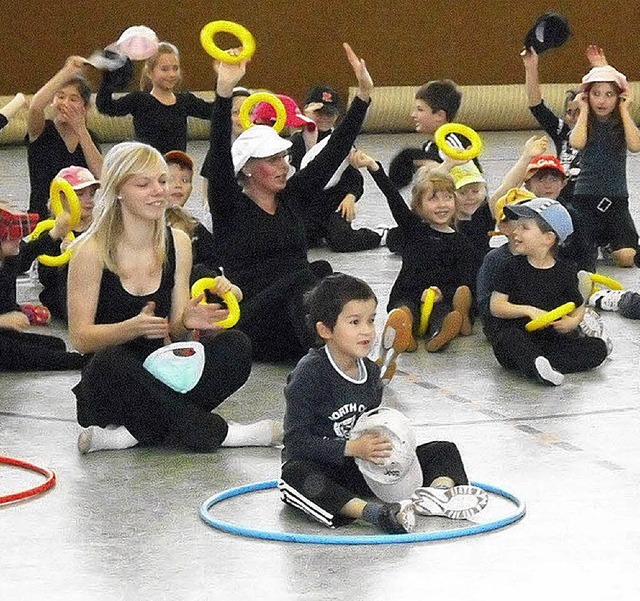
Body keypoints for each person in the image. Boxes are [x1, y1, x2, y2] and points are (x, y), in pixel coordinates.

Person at [67, 141, 280, 453]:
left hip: (166, 371)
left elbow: (177, 331)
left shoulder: (178, 242)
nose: (159, 191)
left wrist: (189, 321)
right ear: (118, 190)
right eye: (144, 183)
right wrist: (132, 328)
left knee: (236, 345)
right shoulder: (90, 250)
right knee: (109, 363)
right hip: (114, 383)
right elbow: (80, 338)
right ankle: (223, 434)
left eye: (162, 181)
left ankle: (131, 434)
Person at [279, 274, 487, 534]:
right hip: (321, 468)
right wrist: (352, 447)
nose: (367, 330)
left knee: (443, 450)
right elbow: (296, 442)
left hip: (362, 467)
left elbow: (368, 422)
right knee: (295, 476)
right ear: (326, 330)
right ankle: (374, 513)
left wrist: (382, 443)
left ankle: (436, 495)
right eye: (355, 322)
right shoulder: (309, 373)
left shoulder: (369, 372)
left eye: (371, 320)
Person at [205, 42, 372, 362]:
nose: (284, 166)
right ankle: (334, 359)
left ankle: (346, 349)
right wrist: (224, 90)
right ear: (249, 169)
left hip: (298, 319)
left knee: (323, 272)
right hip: (255, 322)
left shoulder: (291, 198)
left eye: (284, 157)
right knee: (304, 277)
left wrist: (363, 97)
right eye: (273, 160)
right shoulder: (229, 206)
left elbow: (333, 151)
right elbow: (219, 157)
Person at [351, 150, 476, 352]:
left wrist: (442, 294)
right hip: (409, 292)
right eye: (433, 199)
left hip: (438, 297)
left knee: (443, 314)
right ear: (418, 206)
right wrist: (374, 168)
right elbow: (393, 198)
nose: (442, 204)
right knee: (405, 310)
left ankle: (439, 335)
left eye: (447, 198)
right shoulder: (413, 228)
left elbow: (465, 278)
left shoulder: (461, 242)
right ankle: (404, 333)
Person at [486, 198, 609, 386]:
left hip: (552, 340)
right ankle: (537, 364)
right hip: (519, 336)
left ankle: (542, 365)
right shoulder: (509, 266)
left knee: (598, 348)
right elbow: (496, 306)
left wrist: (573, 321)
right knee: (509, 338)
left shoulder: (566, 270)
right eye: (516, 227)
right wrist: (528, 310)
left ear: (548, 238)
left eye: (524, 227)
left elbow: (578, 305)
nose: (515, 232)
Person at [569, 64, 640, 268]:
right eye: (596, 94)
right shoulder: (586, 122)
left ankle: (610, 244)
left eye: (609, 94)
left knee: (627, 258)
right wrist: (582, 110)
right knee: (581, 258)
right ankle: (596, 243)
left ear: (618, 97)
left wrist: (625, 110)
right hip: (585, 199)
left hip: (616, 200)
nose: (602, 100)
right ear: (587, 96)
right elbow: (577, 142)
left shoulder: (621, 123)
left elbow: (635, 146)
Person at [0, 204, 85, 371]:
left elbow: (29, 253)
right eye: (13, 236)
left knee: (56, 344)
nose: (20, 239)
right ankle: (85, 362)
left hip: (4, 333)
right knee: (56, 358)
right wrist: (3, 320)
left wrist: (55, 233)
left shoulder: (9, 258)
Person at [96, 42, 213, 155]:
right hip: (147, 167)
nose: (172, 74)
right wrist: (109, 76)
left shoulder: (185, 101)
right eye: (164, 69)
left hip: (174, 168)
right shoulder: (139, 100)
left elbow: (215, 111)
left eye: (175, 68)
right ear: (150, 72)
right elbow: (105, 107)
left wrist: (226, 79)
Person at [26, 56, 102, 218]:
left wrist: (81, 129)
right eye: (60, 97)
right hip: (44, 217)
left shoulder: (89, 138)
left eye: (73, 99)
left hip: (81, 218)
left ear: (86, 106)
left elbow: (102, 174)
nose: (65, 103)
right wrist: (67, 72)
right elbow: (35, 108)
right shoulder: (43, 130)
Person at [37, 166, 100, 321]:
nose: (89, 200)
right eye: (79, 195)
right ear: (62, 198)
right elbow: (45, 277)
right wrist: (62, 256)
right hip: (65, 292)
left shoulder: (99, 227)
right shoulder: (52, 230)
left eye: (92, 194)